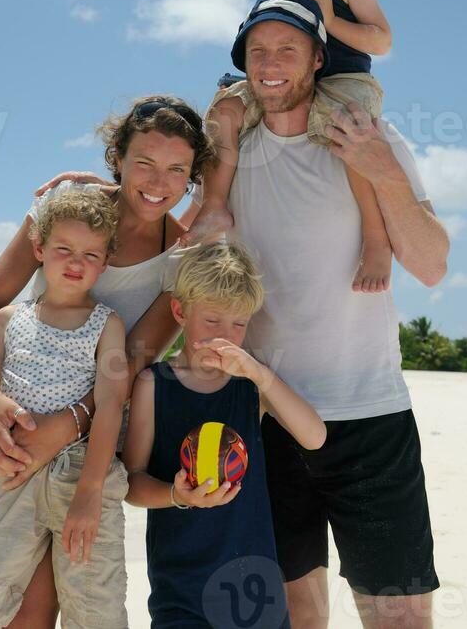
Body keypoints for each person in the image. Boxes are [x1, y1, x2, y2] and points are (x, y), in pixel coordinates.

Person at [183, 0, 449, 629]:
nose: (271, 63)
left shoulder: (365, 139)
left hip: (371, 417)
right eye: (258, 51)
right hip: (267, 419)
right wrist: (90, 192)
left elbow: (434, 264)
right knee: (299, 616)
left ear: (318, 58)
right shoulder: (228, 153)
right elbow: (165, 226)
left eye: (288, 49)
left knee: (401, 617)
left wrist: (384, 172)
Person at [0, 95, 215, 628]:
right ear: (116, 157)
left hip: (91, 446)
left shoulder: (182, 258)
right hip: (18, 419)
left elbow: (131, 363)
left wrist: (68, 425)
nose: (157, 181)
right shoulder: (68, 209)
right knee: (13, 608)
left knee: (65, 601)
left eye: (177, 169)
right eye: (143, 161)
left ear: (193, 176)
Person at [188, 0, 393, 293]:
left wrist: (331, 20)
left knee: (349, 132)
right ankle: (213, 205)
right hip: (290, 81)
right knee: (225, 107)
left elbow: (383, 39)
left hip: (343, 78)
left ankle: (376, 239)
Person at [0, 187, 129, 628]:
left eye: (90, 254)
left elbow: (110, 408)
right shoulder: (9, 319)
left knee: (96, 607)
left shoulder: (108, 325)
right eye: (64, 249)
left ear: (105, 263)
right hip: (12, 477)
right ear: (39, 249)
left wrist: (88, 493)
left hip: (81, 474)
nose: (76, 262)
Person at [123, 240, 326, 629]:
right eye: (212, 321)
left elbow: (314, 436)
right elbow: (131, 483)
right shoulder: (154, 385)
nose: (226, 336)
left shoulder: (251, 386)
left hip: (255, 587)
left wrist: (260, 374)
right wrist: (175, 495)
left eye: (239, 324)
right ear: (180, 312)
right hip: (180, 583)